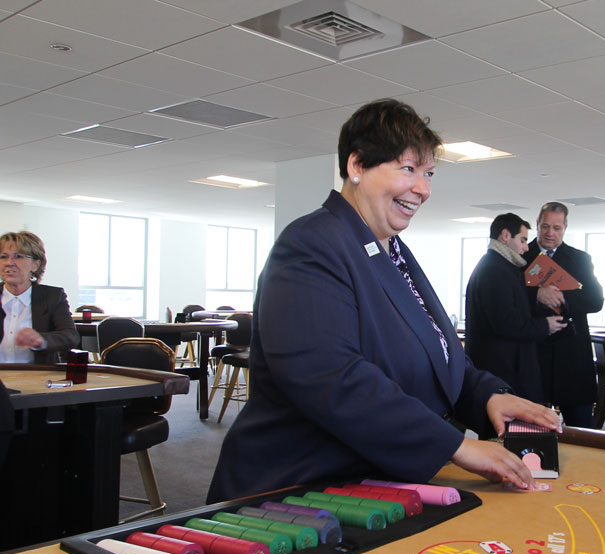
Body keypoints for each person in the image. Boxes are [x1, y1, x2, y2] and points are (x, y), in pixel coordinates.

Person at [208, 99, 560, 503]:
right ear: (357, 166)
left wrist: (488, 396)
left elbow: (437, 355)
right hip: (297, 491)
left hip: (373, 483)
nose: (423, 188)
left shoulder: (391, 250)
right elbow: (333, 378)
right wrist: (454, 446)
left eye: (428, 173)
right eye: (408, 169)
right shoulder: (311, 244)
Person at [465, 213, 568, 402]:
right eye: (522, 240)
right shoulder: (495, 271)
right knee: (512, 431)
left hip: (506, 368)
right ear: (505, 236)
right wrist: (545, 326)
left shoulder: (500, 267)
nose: (526, 247)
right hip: (504, 372)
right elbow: (506, 323)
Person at [524, 202, 604, 427]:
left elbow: (595, 300)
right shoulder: (520, 255)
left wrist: (560, 298)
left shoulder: (579, 259)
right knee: (529, 429)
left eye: (557, 228)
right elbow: (507, 298)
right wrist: (537, 295)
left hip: (571, 354)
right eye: (546, 226)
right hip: (533, 351)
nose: (550, 233)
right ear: (537, 225)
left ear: (565, 228)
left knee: (581, 427)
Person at [0, 231, 79, 364]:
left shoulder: (52, 296)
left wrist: (41, 340)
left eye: (18, 256)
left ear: (35, 265)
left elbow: (71, 336)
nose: (9, 262)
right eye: (3, 256)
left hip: (36, 377)